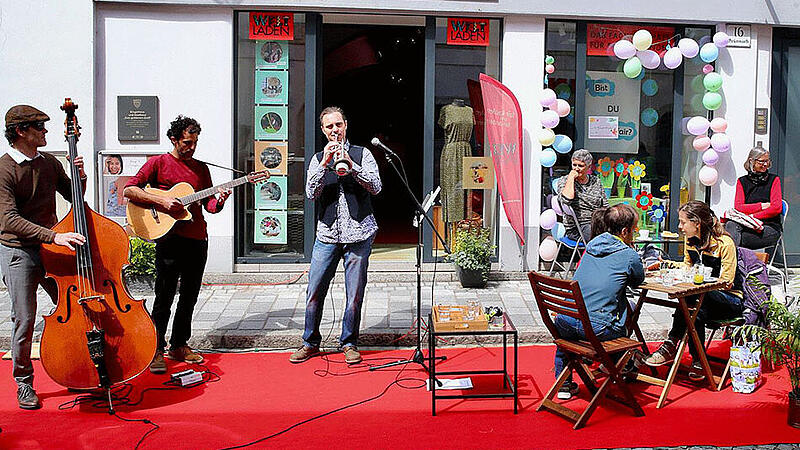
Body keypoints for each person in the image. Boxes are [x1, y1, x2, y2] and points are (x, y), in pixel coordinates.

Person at [123, 115, 234, 374]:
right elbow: (130, 190)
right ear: (174, 139)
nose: (191, 148)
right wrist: (162, 203)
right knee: (164, 296)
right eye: (186, 142)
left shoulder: (200, 168)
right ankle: (156, 349)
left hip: (197, 239)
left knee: (190, 296)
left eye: (195, 143)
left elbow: (209, 206)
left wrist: (220, 200)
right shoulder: (158, 163)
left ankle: (179, 344)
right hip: (169, 240)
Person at [0, 105, 87, 409]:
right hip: (17, 250)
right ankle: (24, 383)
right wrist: (54, 235)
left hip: (50, 247)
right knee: (24, 319)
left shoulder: (48, 162)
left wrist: (80, 177)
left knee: (76, 307)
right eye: (39, 126)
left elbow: (75, 196)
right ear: (21, 131)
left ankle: (82, 371)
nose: (46, 131)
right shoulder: (5, 168)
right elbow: (9, 219)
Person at [290, 106, 382, 365]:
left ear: (345, 125)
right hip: (327, 234)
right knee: (314, 290)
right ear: (323, 130)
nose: (334, 130)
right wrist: (323, 165)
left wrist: (352, 166)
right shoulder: (317, 157)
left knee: (354, 293)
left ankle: (349, 342)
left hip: (359, 234)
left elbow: (376, 187)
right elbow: (310, 193)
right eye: (329, 127)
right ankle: (310, 342)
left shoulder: (362, 153)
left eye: (338, 125)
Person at [553, 204, 644, 399]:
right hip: (597, 328)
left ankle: (563, 385)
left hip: (564, 319)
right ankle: (619, 362)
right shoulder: (628, 255)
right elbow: (638, 280)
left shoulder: (590, 247)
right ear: (625, 231)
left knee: (566, 339)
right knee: (625, 317)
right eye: (634, 230)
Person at [645, 201, 743, 380]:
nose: (679, 227)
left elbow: (727, 282)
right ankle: (699, 359)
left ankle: (671, 343)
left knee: (692, 297)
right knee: (694, 309)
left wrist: (698, 283)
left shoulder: (724, 243)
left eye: (683, 222)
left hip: (729, 300)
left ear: (697, 223)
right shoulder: (691, 241)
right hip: (703, 301)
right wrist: (665, 264)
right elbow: (687, 267)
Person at [724, 145, 782, 251]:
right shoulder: (742, 181)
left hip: (769, 227)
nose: (765, 164)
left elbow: (776, 208)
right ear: (752, 161)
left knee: (733, 238)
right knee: (730, 225)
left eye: (767, 161)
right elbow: (739, 207)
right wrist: (761, 206)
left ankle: (733, 264)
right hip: (746, 225)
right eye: (761, 161)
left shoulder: (774, 180)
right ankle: (732, 264)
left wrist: (752, 216)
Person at [558, 149, 609, 241]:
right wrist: (571, 178)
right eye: (574, 165)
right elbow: (566, 200)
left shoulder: (596, 181)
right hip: (577, 226)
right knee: (600, 238)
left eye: (580, 166)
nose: (576, 168)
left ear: (589, 167)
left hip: (597, 222)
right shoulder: (565, 181)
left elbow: (605, 205)